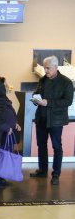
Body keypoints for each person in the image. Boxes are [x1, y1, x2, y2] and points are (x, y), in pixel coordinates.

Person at [30, 56, 74, 185]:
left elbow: (68, 101)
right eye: (44, 68)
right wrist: (35, 98)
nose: (46, 70)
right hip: (41, 118)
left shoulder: (66, 82)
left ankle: (56, 174)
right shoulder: (43, 80)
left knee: (57, 147)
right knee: (41, 145)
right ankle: (42, 170)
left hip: (56, 120)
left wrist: (48, 102)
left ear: (56, 67)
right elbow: (36, 93)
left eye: (48, 68)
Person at [0, 76, 21, 187]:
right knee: (1, 155)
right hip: (2, 133)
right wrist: (6, 127)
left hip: (8, 132)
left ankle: (1, 177)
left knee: (4, 154)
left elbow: (10, 113)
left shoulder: (3, 98)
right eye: (4, 84)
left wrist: (15, 123)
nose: (6, 86)